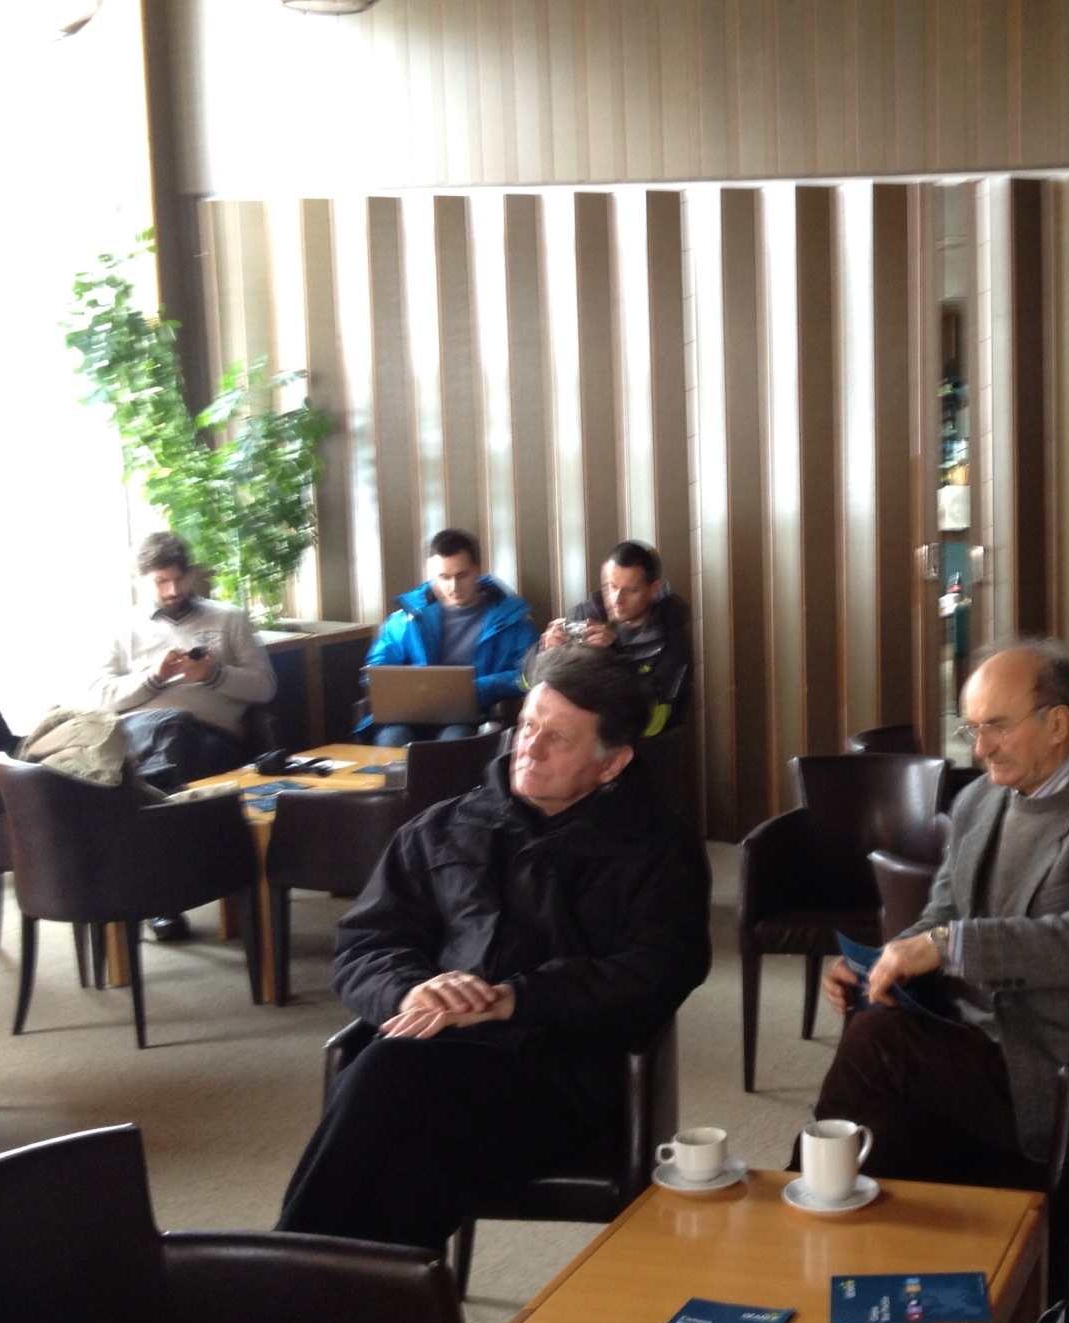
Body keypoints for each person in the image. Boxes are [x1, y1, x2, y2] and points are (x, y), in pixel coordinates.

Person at [277, 645, 711, 1250]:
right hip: (442, 1067)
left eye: (558, 738)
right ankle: (350, 1304)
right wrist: (412, 990)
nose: (529, 748)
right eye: (528, 726)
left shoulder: (658, 849)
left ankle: (279, 1270)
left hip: (564, 1085)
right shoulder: (442, 828)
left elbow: (657, 971)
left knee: (384, 1070)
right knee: (412, 1170)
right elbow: (365, 944)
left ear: (611, 763)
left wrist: (514, 998)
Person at [804, 638, 1069, 1189]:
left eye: (997, 727)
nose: (980, 750)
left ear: (1058, 723)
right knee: (880, 1117)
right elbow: (943, 911)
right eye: (972, 729)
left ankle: (806, 1198)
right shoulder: (979, 801)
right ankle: (829, 1207)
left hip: (1061, 1071)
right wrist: (881, 963)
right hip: (971, 1043)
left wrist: (946, 946)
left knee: (878, 1046)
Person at [88, 531, 277, 793]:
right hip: (140, 735)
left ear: (190, 575)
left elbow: (265, 687)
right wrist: (154, 678)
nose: (173, 590)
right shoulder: (121, 626)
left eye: (179, 579)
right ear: (140, 580)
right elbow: (98, 696)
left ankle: (154, 799)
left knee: (181, 735)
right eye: (161, 581)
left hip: (213, 737)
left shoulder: (230, 618)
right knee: (175, 723)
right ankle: (166, 801)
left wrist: (214, 674)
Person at [357, 528, 537, 745]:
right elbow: (377, 667)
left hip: (474, 714)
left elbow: (528, 674)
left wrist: (477, 689)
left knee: (454, 740)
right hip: (410, 714)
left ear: (479, 570)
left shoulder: (512, 618)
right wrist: (401, 688)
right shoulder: (408, 617)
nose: (454, 587)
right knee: (391, 740)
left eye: (462, 576)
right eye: (444, 577)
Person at [541, 540, 693, 736]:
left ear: (654, 589)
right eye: (611, 587)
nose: (617, 600)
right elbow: (529, 681)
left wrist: (610, 657)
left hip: (637, 746)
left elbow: (655, 721)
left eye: (631, 590)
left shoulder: (673, 640)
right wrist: (545, 652)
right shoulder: (586, 615)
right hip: (575, 735)